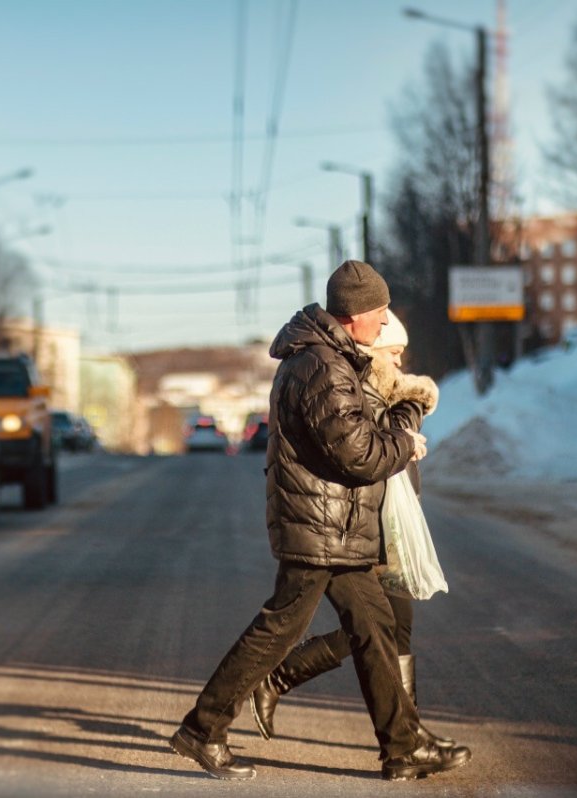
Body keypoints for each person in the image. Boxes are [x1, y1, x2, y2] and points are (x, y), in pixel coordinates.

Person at [169, 261, 471, 782]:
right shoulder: (322, 367)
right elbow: (359, 454)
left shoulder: (328, 358)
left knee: (374, 626)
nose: (385, 323)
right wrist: (404, 441)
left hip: (335, 528)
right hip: (320, 528)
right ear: (354, 314)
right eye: (380, 313)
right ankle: (203, 727)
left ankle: (403, 747)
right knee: (278, 629)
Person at [248, 310, 455, 750]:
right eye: (394, 352)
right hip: (360, 526)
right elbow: (374, 446)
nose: (400, 362)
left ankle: (409, 737)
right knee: (376, 627)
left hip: (384, 526)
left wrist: (410, 402)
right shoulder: (361, 387)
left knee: (389, 626)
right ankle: (282, 678)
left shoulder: (386, 389)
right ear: (375, 351)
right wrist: (411, 407)